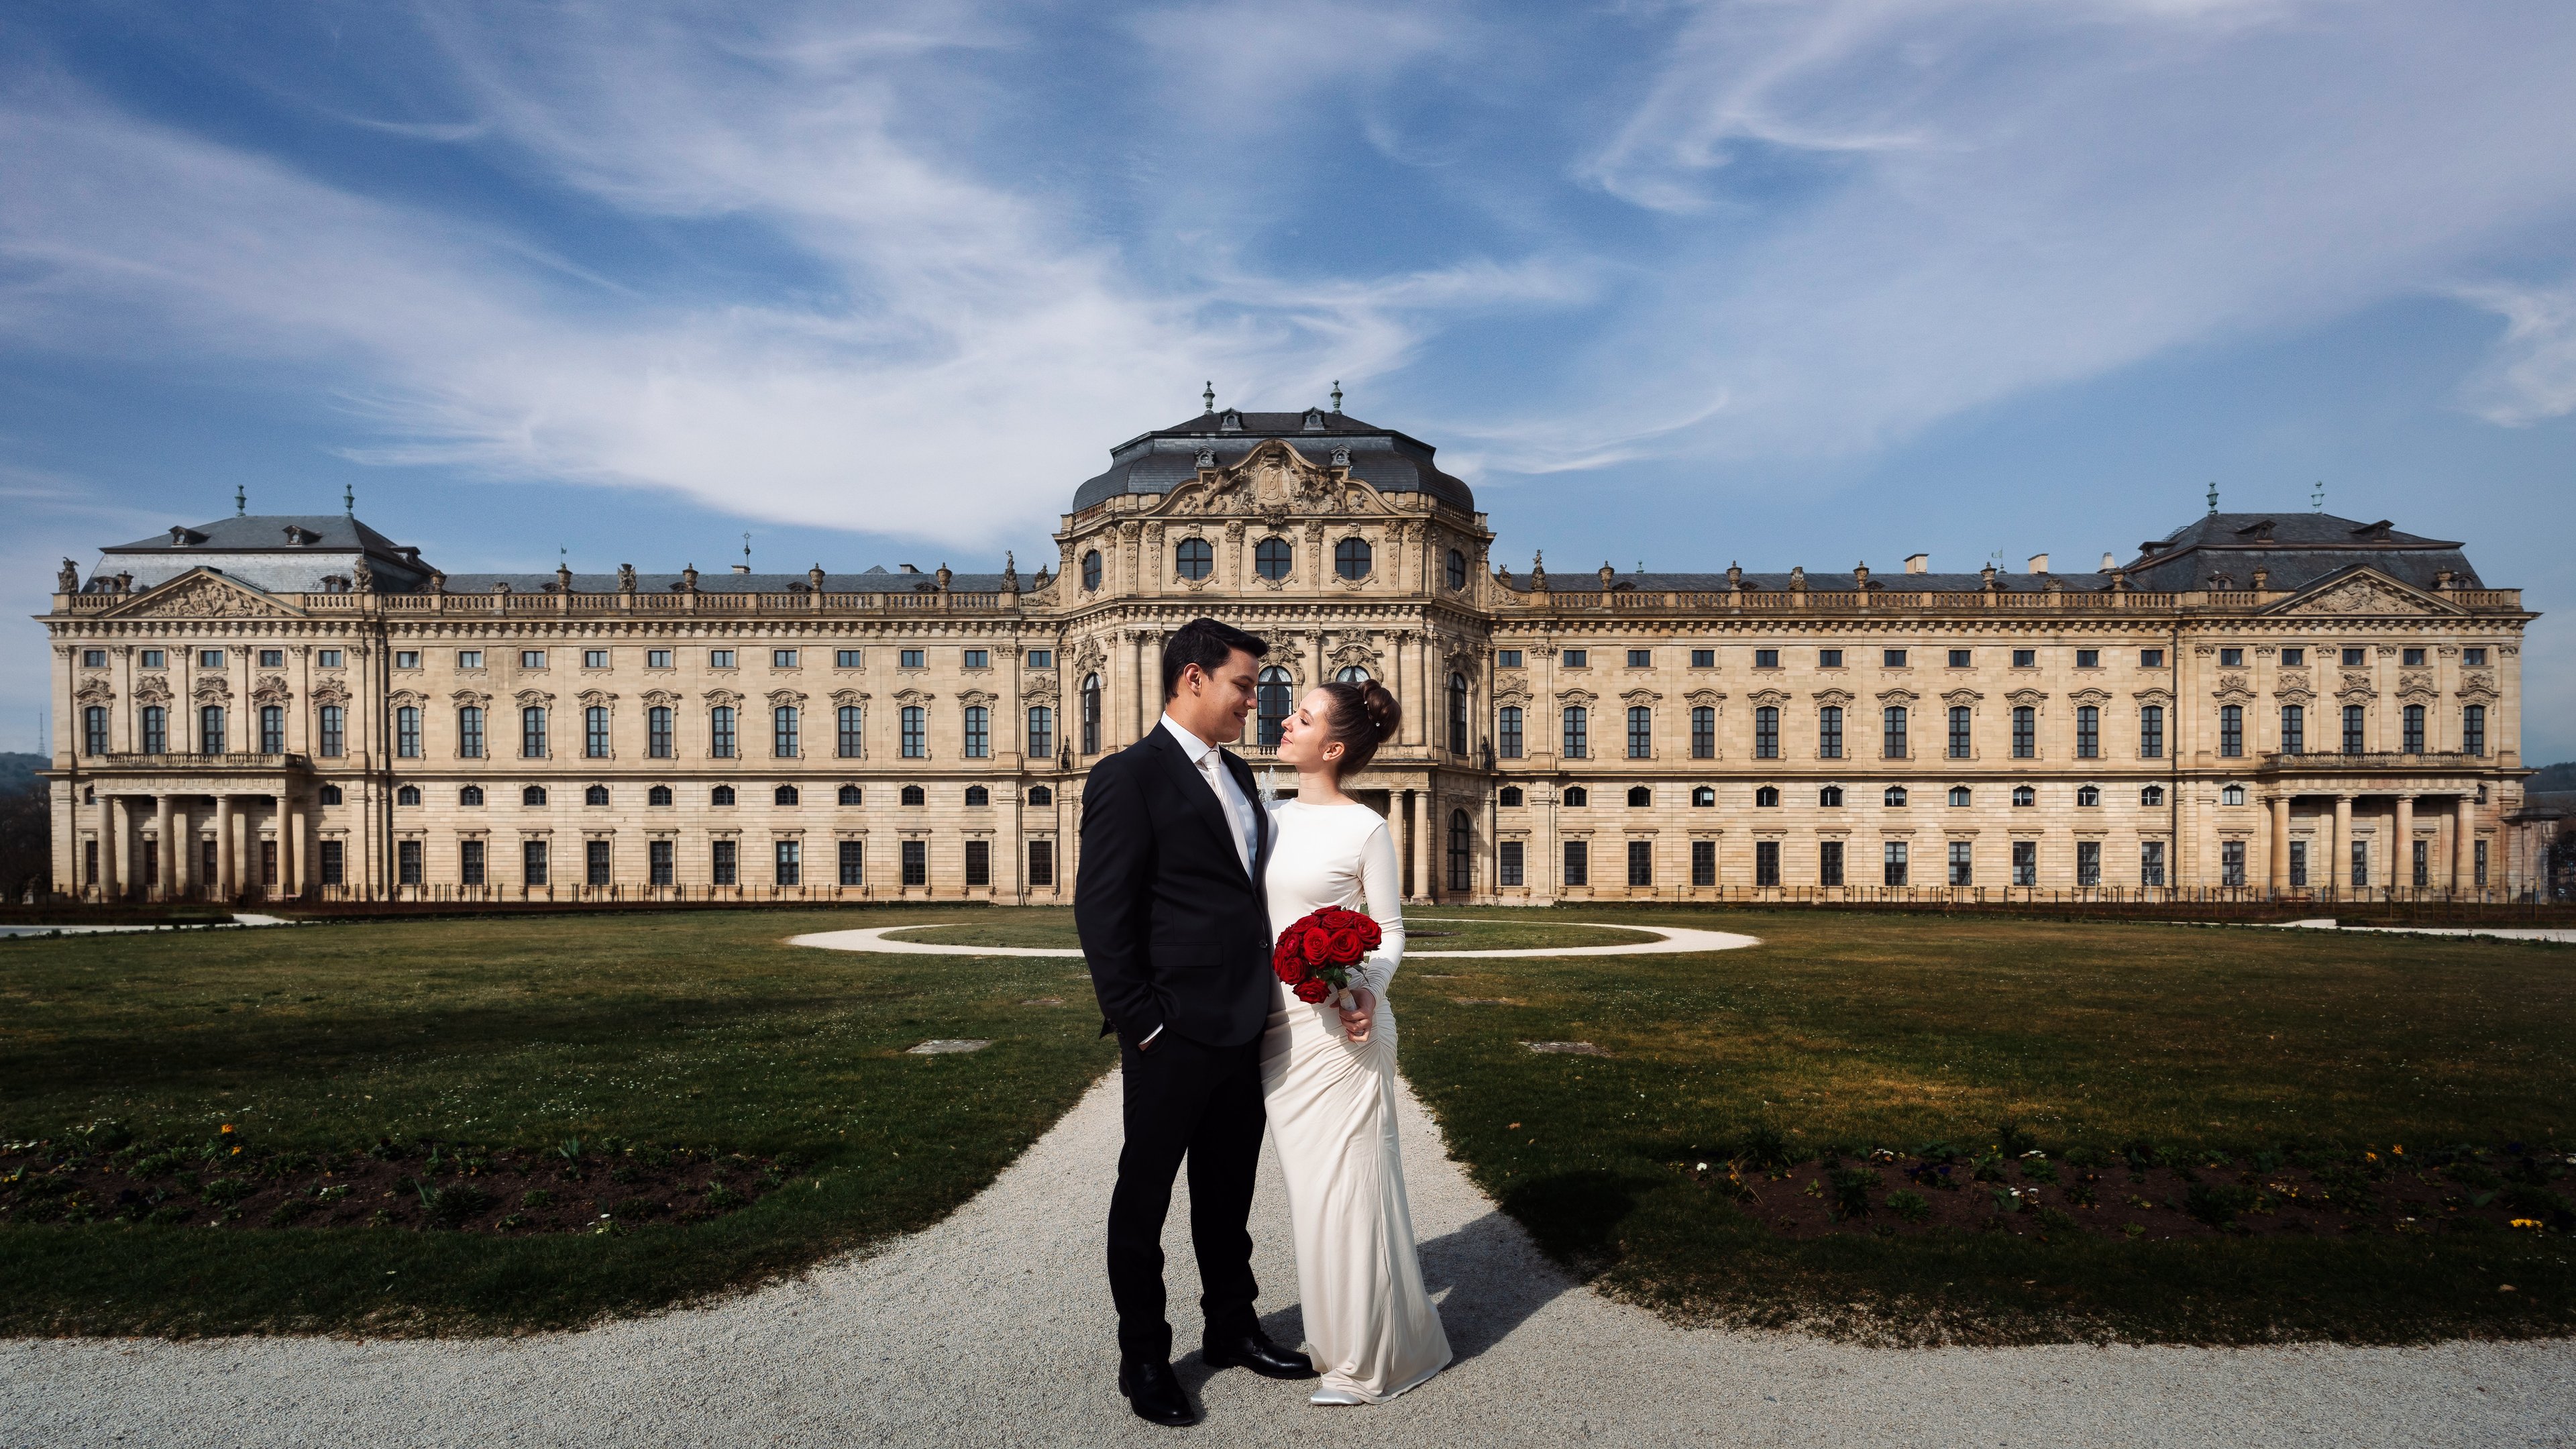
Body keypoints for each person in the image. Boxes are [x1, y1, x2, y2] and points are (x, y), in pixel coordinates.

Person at [1075, 617, 1318, 1427]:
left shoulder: (1241, 774)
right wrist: (1142, 1024)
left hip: (1241, 1020)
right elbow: (1102, 916)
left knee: (1228, 1193)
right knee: (1142, 1199)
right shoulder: (1130, 776)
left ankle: (1231, 1326)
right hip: (1170, 1030)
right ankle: (1144, 1354)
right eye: (1245, 686)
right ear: (1192, 681)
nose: (1257, 700)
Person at [1260, 678, 1452, 1404]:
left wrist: (1366, 985)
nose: (1286, 719)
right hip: (1278, 1027)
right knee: (1310, 1194)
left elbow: (1392, 931)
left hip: (1344, 1029)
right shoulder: (1266, 818)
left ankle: (1371, 1360)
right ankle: (1334, 1338)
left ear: (1332, 748)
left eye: (1301, 717)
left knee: (1353, 1190)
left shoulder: (1365, 828)